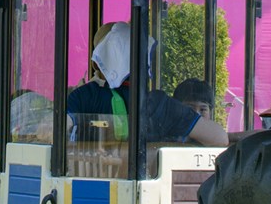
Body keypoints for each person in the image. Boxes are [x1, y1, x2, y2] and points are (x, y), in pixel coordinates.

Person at [65, 22, 227, 147]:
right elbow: (219, 138)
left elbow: (51, 132)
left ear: (98, 61)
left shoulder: (81, 97)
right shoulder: (159, 103)